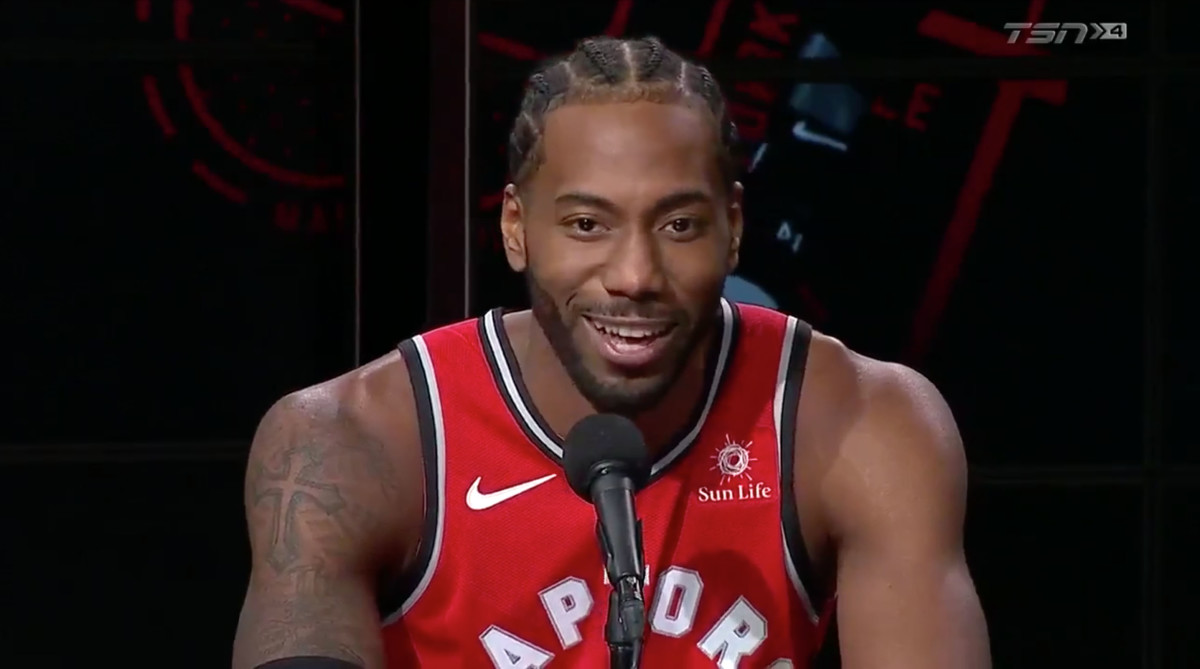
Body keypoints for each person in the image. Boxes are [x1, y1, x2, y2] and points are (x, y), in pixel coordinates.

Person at [231, 36, 990, 669]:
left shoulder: (863, 424)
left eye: (679, 226)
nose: (634, 277)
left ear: (734, 226)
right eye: (588, 225)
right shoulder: (347, 442)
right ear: (517, 229)